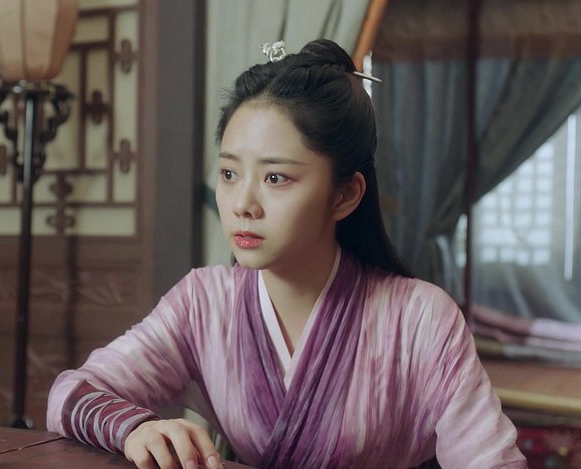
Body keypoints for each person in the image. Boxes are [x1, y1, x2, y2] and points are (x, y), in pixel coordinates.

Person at [46, 39, 527, 469]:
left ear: (345, 194)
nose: (243, 204)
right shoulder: (203, 302)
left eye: (276, 178)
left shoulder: (419, 317)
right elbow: (70, 392)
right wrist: (135, 427)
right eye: (230, 174)